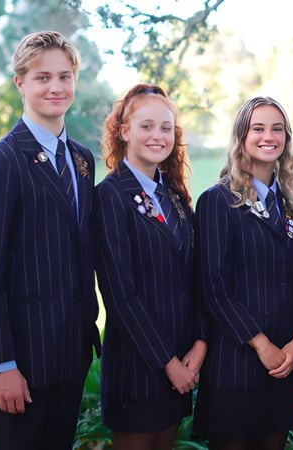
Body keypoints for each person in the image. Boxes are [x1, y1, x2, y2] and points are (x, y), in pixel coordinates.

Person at [0, 30, 101, 449]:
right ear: (20, 82)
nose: (56, 87)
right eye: (42, 77)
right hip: (21, 362)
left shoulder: (81, 160)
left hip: (72, 355)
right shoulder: (0, 162)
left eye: (64, 76)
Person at [193, 96, 293, 450]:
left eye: (277, 129)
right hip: (236, 364)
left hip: (283, 363)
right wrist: (261, 345)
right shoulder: (218, 201)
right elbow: (214, 287)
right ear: (241, 136)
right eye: (257, 128)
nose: (268, 136)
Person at [92, 84, 207, 449]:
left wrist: (199, 344)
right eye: (146, 126)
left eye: (166, 127)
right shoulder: (109, 196)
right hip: (138, 370)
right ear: (125, 132)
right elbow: (120, 295)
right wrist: (168, 363)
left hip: (181, 364)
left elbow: (195, 278)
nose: (158, 135)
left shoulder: (174, 196)